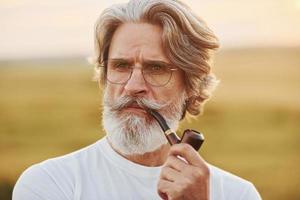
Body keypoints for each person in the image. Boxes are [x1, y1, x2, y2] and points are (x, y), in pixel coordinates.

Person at [13, 0, 261, 199]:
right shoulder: (50, 184)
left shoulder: (238, 194)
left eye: (156, 68)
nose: (133, 87)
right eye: (121, 66)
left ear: (192, 86)